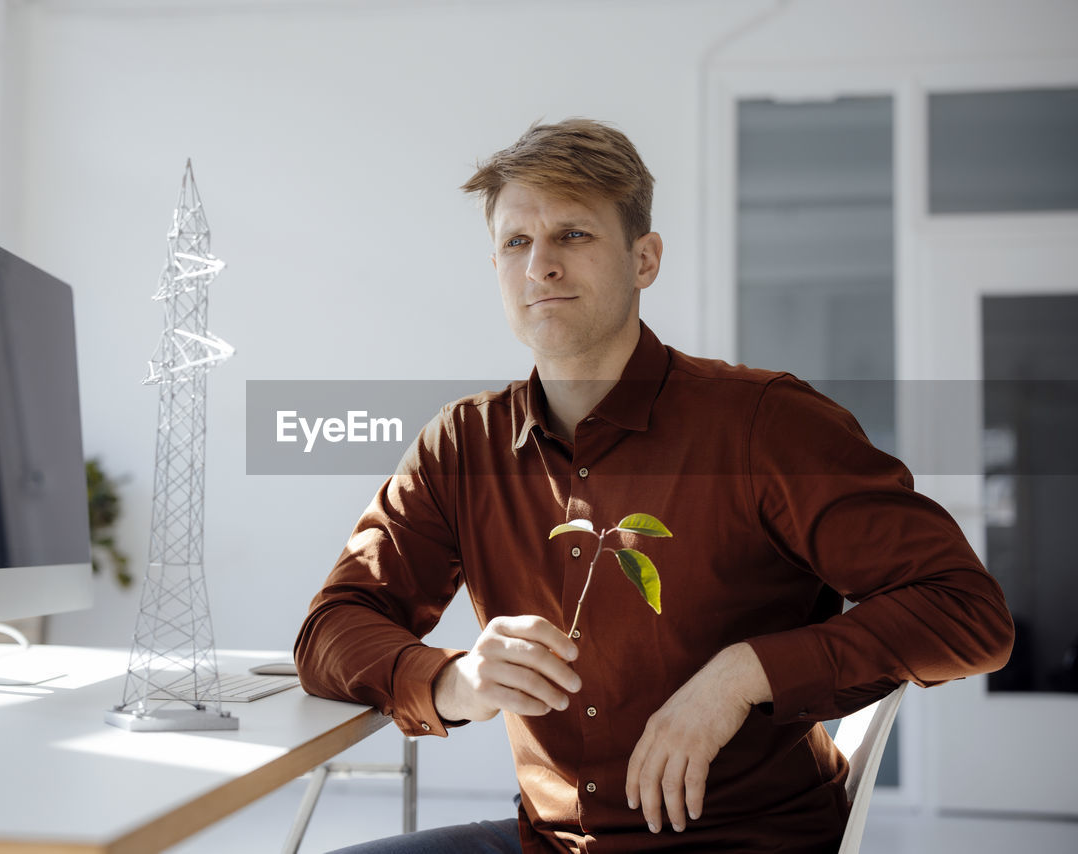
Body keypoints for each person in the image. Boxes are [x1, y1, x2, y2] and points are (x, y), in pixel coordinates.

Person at [294, 118, 1013, 853]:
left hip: (740, 842)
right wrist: (453, 681)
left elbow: (968, 614)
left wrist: (745, 674)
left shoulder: (765, 425)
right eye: (517, 242)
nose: (540, 265)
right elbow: (331, 629)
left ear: (645, 259)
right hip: (548, 842)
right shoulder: (461, 445)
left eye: (573, 235)